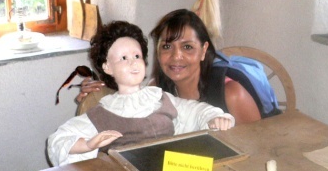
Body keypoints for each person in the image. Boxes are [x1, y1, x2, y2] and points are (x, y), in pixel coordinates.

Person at [48, 20, 234, 166]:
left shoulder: (161, 97)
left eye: (136, 56)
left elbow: (196, 110)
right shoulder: (101, 114)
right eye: (123, 58)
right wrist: (88, 145)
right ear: (107, 67)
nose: (132, 63)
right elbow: (58, 141)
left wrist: (214, 118)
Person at [78, 9, 262, 124]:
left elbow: (258, 148)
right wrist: (97, 91)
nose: (176, 57)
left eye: (187, 47)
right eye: (167, 46)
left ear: (204, 50)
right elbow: (129, 106)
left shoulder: (232, 93)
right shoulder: (157, 89)